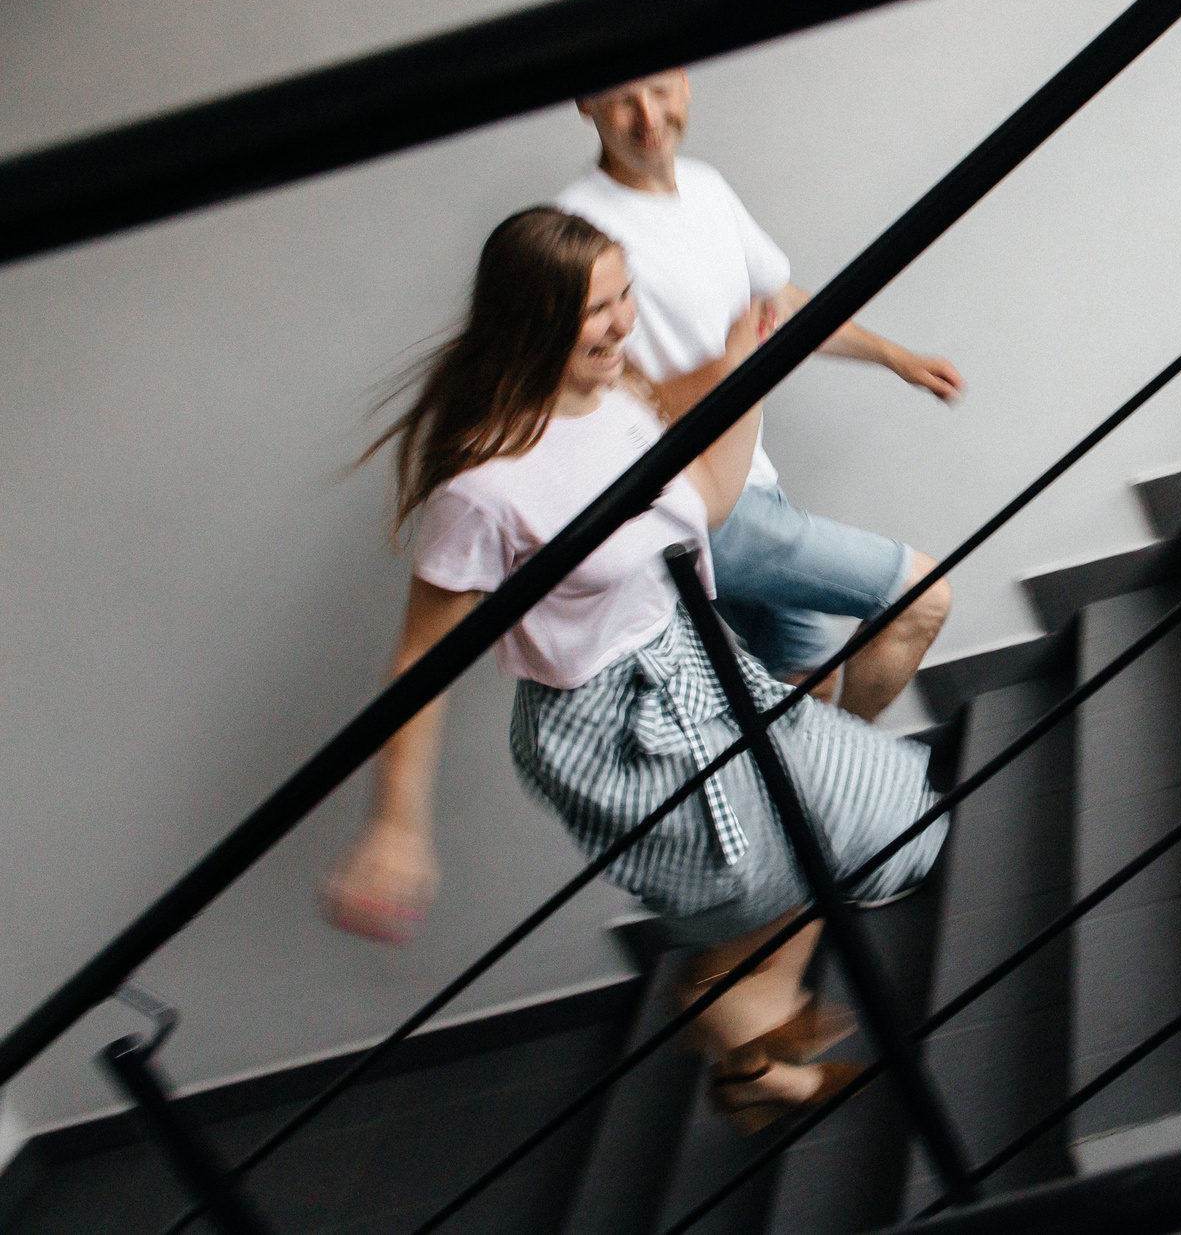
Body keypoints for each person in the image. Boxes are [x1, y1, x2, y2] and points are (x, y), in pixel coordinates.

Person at [325, 208, 945, 1130]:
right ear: (533, 322)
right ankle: (741, 1028)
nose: (623, 322)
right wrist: (396, 826)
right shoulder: (483, 486)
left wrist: (749, 363)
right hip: (610, 729)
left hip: (694, 662)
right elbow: (420, 659)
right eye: (596, 310)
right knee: (820, 839)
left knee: (869, 814)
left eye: (625, 296)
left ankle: (736, 1016)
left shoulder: (622, 396)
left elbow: (708, 502)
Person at [553, 68, 960, 718]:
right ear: (585, 103)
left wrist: (895, 358)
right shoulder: (576, 229)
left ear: (685, 82)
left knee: (805, 677)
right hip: (693, 499)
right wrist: (734, 366)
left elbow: (778, 303)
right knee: (921, 596)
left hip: (751, 479)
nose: (648, 117)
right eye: (623, 98)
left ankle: (816, 778)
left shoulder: (706, 187)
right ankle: (858, 771)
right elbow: (594, 396)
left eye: (659, 90)